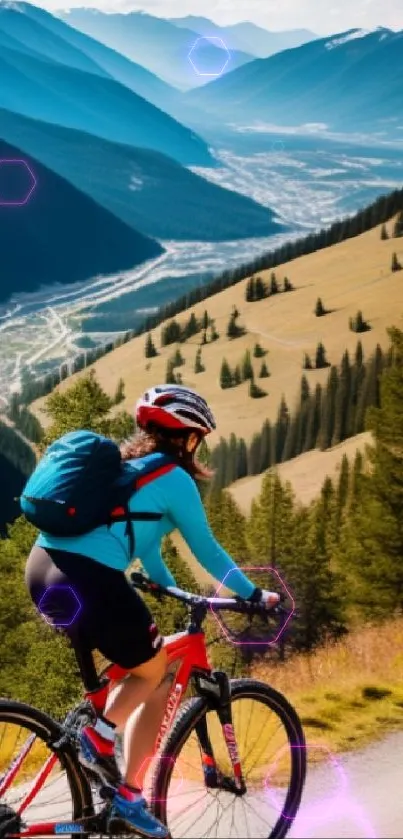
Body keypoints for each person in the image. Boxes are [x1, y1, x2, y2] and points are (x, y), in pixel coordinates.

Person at [25, 384, 280, 839]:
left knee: (139, 666)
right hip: (87, 577)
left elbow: (148, 546)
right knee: (154, 670)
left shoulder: (129, 471)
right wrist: (253, 594)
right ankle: (113, 766)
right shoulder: (175, 479)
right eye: (198, 437)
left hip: (43, 568)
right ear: (188, 438)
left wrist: (168, 587)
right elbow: (208, 550)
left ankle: (101, 761)